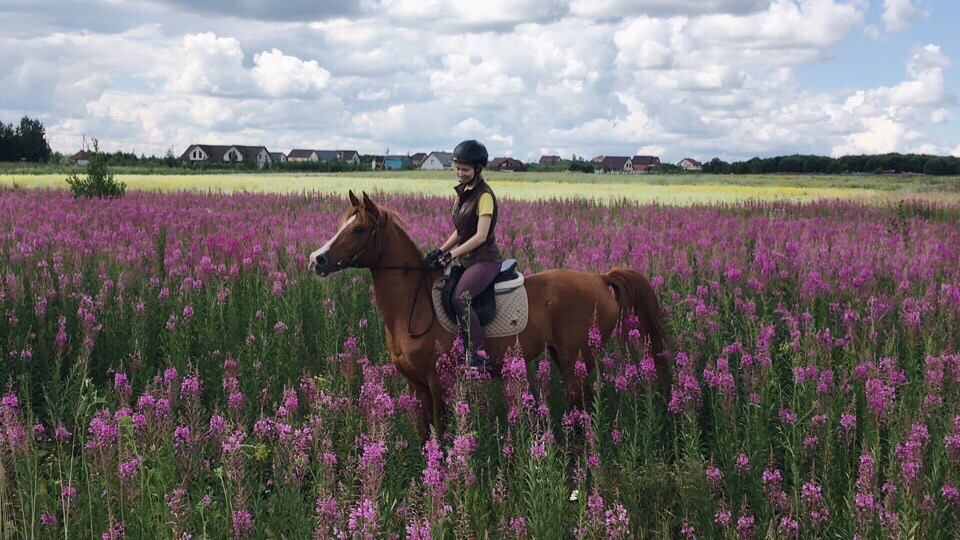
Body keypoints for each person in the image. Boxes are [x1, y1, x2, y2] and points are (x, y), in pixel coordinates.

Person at [425, 140, 502, 371]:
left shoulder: (484, 196)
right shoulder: (462, 194)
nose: (460, 173)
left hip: (485, 260)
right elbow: (461, 230)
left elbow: (480, 236)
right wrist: (441, 250)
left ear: (478, 169)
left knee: (461, 297)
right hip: (467, 259)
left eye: (465, 170)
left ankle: (479, 354)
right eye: (457, 168)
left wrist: (451, 255)